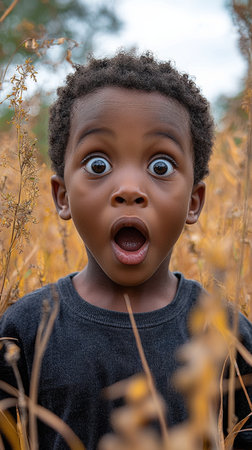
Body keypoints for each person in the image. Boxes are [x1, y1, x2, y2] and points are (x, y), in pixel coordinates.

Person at [0, 51, 251, 449]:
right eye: (98, 164)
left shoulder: (223, 333)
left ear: (194, 201)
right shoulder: (25, 330)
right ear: (62, 195)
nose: (130, 189)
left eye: (161, 166)